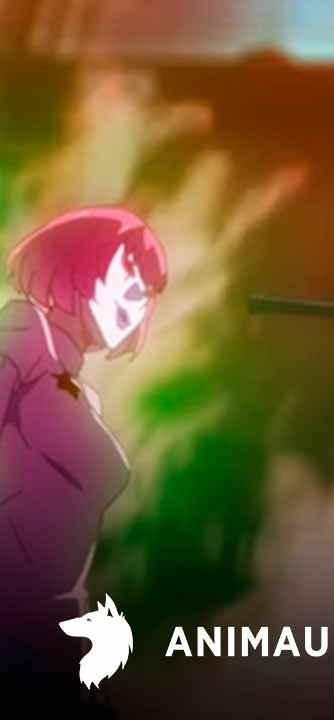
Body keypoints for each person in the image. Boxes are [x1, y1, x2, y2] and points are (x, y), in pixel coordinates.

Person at [0, 207, 167, 714]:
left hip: (54, 635)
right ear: (79, 262)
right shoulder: (21, 338)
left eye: (146, 292)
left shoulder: (70, 386)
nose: (136, 302)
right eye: (128, 275)